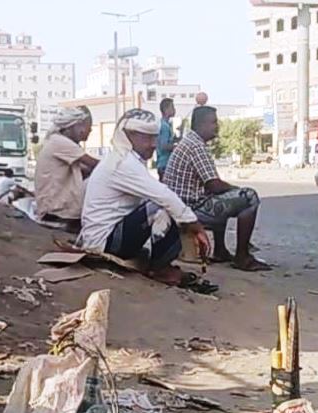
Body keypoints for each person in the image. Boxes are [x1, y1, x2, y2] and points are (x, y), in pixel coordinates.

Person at [77, 109, 215, 293]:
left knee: (169, 206)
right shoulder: (124, 164)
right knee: (163, 205)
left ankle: (160, 263)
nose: (153, 144)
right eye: (147, 138)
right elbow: (163, 195)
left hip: (105, 236)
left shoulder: (122, 159)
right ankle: (160, 269)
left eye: (154, 138)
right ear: (129, 136)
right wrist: (195, 226)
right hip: (104, 241)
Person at [164, 106, 270, 271]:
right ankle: (242, 257)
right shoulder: (196, 146)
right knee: (249, 197)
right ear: (201, 124)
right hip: (188, 209)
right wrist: (236, 189)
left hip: (181, 205)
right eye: (213, 122)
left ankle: (221, 251)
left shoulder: (190, 142)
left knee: (224, 198)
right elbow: (214, 185)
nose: (217, 126)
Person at [34, 107, 99, 228]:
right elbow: (95, 164)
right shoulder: (60, 142)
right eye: (85, 126)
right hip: (57, 211)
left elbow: (86, 170)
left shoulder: (57, 141)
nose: (88, 130)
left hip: (55, 209)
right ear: (73, 126)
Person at [156, 98, 177, 181]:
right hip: (165, 164)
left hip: (163, 164)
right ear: (166, 110)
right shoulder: (164, 126)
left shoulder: (165, 124)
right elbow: (164, 146)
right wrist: (177, 148)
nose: (174, 110)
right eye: (172, 107)